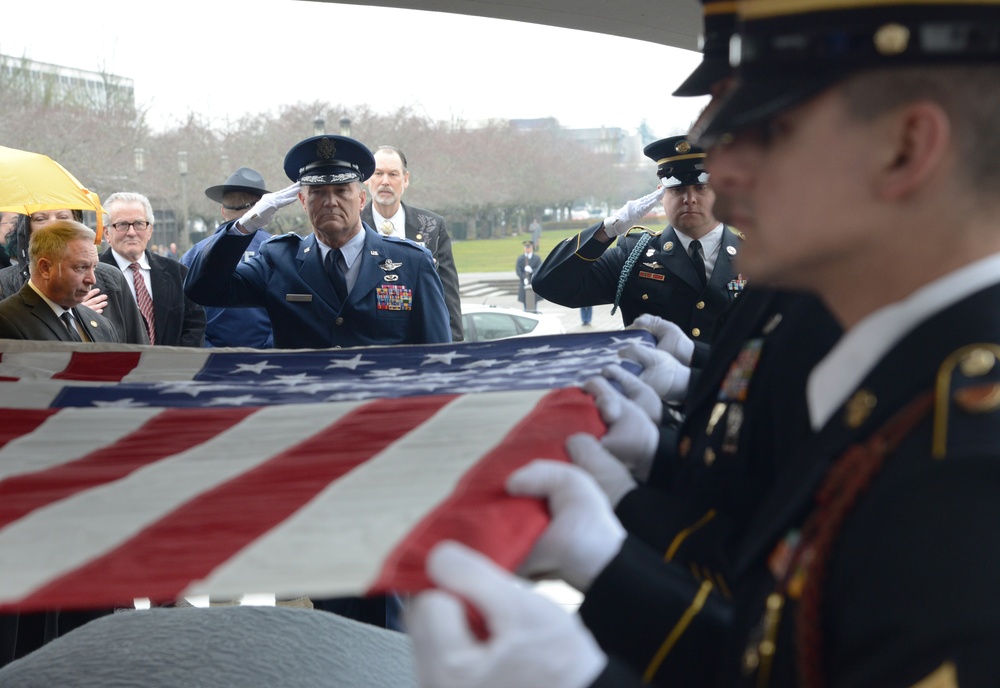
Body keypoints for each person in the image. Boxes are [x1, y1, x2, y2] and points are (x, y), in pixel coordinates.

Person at [408, 1, 1000, 687]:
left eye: (769, 128)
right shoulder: (898, 383)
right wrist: (612, 560)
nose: (720, 168)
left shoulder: (968, 462)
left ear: (904, 148)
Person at [184, 135, 450, 350]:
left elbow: (437, 353)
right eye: (318, 193)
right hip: (306, 412)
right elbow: (203, 290)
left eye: (342, 191)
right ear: (302, 202)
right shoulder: (278, 261)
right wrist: (247, 223)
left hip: (382, 411)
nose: (330, 201)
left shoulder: (412, 264)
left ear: (360, 199)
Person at [532, 136, 744, 351]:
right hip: (651, 382)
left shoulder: (757, 256)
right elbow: (549, 284)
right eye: (677, 189)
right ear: (660, 194)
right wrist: (608, 229)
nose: (689, 198)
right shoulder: (633, 256)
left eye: (701, 188)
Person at [0, 209, 149, 344]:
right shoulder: (7, 320)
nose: (92, 279)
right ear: (45, 268)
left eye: (94, 267)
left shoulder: (102, 324)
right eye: (81, 267)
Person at [362, 145, 463, 341]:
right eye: (378, 173)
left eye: (393, 174)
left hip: (419, 343)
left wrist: (454, 347)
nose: (385, 181)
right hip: (369, 346)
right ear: (367, 179)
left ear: (405, 179)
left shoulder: (432, 227)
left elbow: (448, 296)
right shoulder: (351, 226)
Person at [181, 167, 275, 348]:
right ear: (263, 210)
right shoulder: (279, 250)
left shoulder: (195, 254)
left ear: (223, 211)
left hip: (212, 361)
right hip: (268, 359)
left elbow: (184, 315)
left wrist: (209, 349)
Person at [100, 192, 206, 347]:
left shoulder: (178, 274)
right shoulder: (90, 276)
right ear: (107, 233)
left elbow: (195, 325)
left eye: (139, 224)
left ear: (149, 230)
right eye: (122, 225)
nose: (131, 232)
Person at [515, 240, 541, 311]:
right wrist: (524, 277)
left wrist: (532, 271)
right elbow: (518, 270)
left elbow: (539, 269)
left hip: (533, 282)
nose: (527, 249)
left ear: (532, 247)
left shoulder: (536, 258)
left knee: (534, 301)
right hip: (524, 282)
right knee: (524, 300)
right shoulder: (520, 258)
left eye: (529, 247)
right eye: (526, 247)